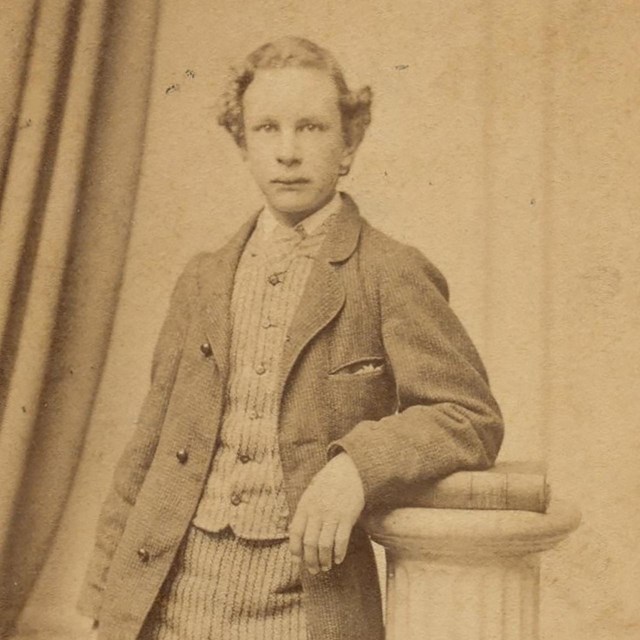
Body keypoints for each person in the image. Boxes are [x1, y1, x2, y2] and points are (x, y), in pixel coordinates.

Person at [78, 36, 504, 640]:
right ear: (243, 145)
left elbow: (468, 416)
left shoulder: (389, 272)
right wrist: (106, 602)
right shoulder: (201, 278)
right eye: (267, 129)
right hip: (170, 587)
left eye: (310, 127)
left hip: (303, 599)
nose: (287, 152)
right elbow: (148, 446)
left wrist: (354, 468)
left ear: (349, 143)